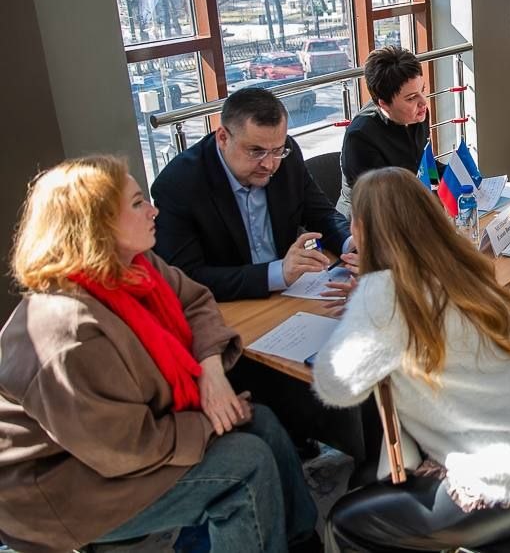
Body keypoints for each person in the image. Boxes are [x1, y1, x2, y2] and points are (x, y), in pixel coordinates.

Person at [0, 156, 318, 553]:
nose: (154, 210)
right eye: (137, 204)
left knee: (263, 422)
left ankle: (302, 540)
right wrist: (208, 420)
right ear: (96, 226)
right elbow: (123, 450)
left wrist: (211, 373)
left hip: (127, 443)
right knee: (245, 463)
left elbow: (197, 301)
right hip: (64, 488)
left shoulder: (135, 265)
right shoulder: (70, 334)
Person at [314, 167, 510, 551]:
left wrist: (361, 310)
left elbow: (334, 386)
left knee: (344, 520)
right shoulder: (464, 271)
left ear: (361, 230)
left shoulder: (382, 296)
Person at [152, 86, 353, 302]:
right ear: (222, 138)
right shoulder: (179, 184)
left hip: (291, 294)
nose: (268, 164)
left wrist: (351, 245)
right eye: (256, 152)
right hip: (228, 307)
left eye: (277, 150)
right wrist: (277, 273)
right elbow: (186, 277)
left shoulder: (286, 156)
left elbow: (321, 215)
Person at [337, 46, 429, 216]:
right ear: (384, 104)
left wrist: (456, 175)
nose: (423, 102)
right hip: (366, 224)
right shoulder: (360, 137)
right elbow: (379, 204)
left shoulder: (417, 114)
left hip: (408, 208)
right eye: (411, 98)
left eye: (422, 91)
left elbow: (422, 164)